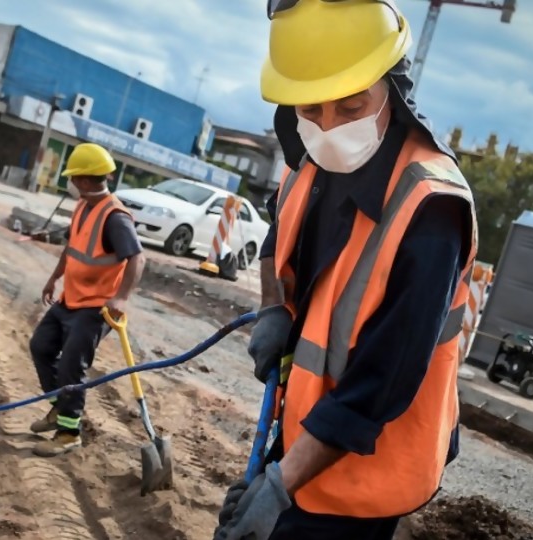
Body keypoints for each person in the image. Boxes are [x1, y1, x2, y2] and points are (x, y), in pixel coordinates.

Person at [213, 1, 478, 539]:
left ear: (393, 88)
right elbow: (278, 231)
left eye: (352, 107)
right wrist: (273, 310)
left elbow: (383, 380)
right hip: (307, 426)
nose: (330, 128)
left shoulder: (431, 208)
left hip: (371, 461)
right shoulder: (312, 162)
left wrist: (280, 485)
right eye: (311, 111)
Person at [28, 143, 146, 457]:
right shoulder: (82, 206)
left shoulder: (115, 217)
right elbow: (73, 248)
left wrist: (121, 298)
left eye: (73, 177)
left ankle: (69, 433)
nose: (71, 183)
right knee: (41, 347)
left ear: (82, 179)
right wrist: (55, 277)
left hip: (96, 307)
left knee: (70, 365)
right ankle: (59, 409)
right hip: (71, 298)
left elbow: (138, 259)